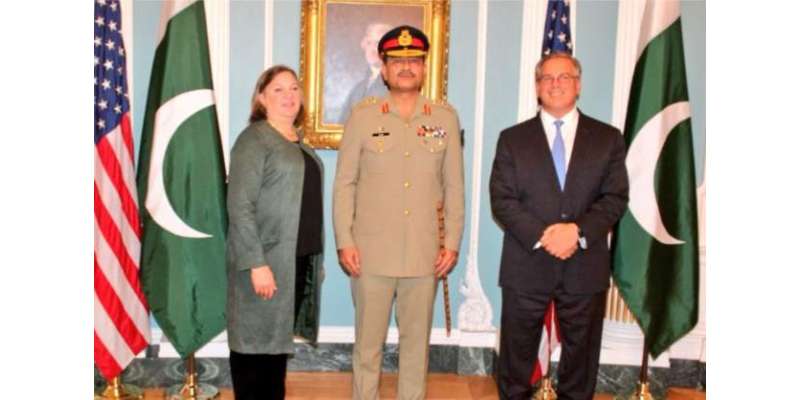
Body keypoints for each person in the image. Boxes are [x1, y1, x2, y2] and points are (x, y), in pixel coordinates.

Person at [333, 25, 465, 400]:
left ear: (424, 67)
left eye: (414, 60)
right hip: (370, 253)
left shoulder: (445, 118)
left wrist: (452, 243)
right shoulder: (362, 117)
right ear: (385, 68)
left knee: (416, 348)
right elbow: (345, 184)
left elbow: (454, 186)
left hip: (425, 253)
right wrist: (345, 240)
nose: (406, 67)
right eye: (397, 60)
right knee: (367, 346)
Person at [489, 52, 629, 400]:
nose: (555, 84)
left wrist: (576, 233)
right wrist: (544, 236)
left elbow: (615, 198)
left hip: (584, 266)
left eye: (564, 77)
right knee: (515, 362)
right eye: (547, 78)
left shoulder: (608, 138)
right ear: (537, 86)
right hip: (526, 264)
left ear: (578, 85)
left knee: (580, 365)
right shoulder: (512, 139)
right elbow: (502, 200)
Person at [226, 65, 325, 400]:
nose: (289, 96)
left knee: (275, 352)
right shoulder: (254, 140)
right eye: (278, 89)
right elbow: (239, 206)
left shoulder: (298, 142)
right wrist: (256, 263)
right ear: (261, 98)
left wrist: (314, 261)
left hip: (294, 262)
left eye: (294, 88)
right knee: (253, 351)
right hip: (262, 263)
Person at [336, 22, 392, 124]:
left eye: (378, 43)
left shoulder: (397, 85)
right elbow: (341, 125)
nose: (372, 49)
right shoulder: (358, 89)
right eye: (369, 43)